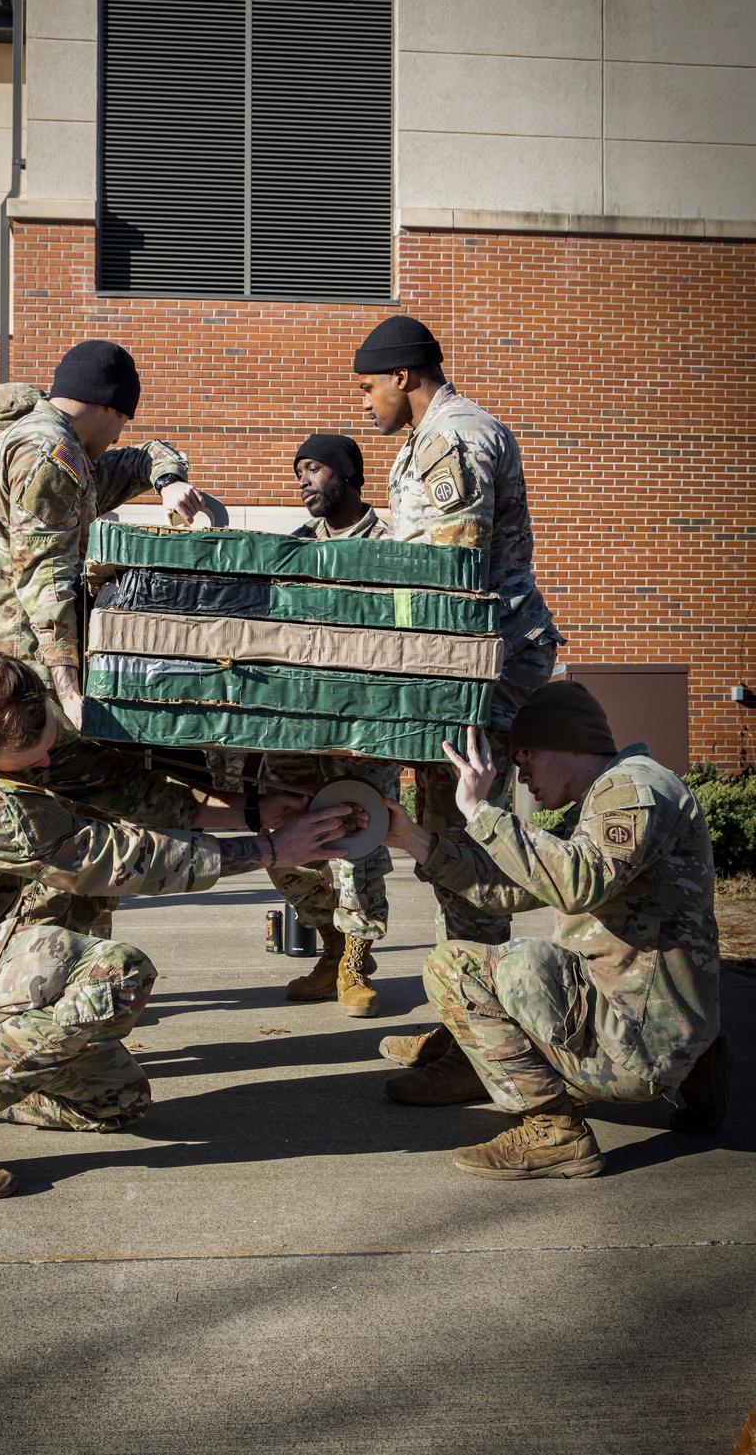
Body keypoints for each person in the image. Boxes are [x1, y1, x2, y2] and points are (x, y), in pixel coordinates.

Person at [0, 654, 356, 1200]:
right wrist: (269, 848)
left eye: (44, 749)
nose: (45, 767)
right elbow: (121, 859)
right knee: (116, 975)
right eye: (31, 762)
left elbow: (112, 787)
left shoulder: (1, 712)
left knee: (119, 1105)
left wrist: (254, 810)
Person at [381, 682, 728, 1179]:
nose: (521, 777)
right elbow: (510, 885)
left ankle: (553, 1129)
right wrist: (410, 837)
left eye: (526, 758)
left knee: (455, 967)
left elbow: (577, 884)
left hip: (634, 1043)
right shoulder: (599, 801)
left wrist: (480, 812)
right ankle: (700, 1075)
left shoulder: (633, 786)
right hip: (669, 1025)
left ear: (566, 742)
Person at [356, 315, 561, 1090]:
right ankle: (465, 1022)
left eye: (370, 386)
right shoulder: (434, 438)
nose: (365, 402)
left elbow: (448, 584)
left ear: (405, 376)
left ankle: (485, 1047)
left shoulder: (453, 440)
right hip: (463, 669)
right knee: (450, 848)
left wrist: (425, 696)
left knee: (467, 849)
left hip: (474, 673)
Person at [0, 339, 207, 732]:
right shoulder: (51, 450)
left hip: (1, 667)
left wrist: (169, 481)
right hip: (25, 673)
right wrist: (69, 691)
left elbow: (142, 458)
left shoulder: (55, 446)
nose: (119, 437)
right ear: (108, 406)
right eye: (123, 422)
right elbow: (45, 571)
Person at [263, 434, 401, 1015]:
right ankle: (329, 946)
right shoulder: (295, 549)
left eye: (313, 469)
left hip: (362, 727)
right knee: (289, 843)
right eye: (298, 471)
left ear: (345, 474)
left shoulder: (392, 543)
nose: (302, 481)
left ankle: (354, 963)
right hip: (297, 728)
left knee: (355, 844)